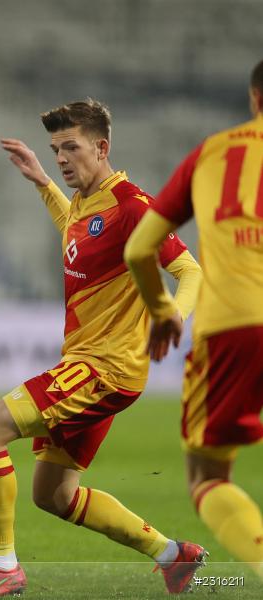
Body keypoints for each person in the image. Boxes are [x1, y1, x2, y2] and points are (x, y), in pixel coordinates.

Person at [0, 99, 206, 597]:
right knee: (53, 495)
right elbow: (78, 230)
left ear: (102, 147)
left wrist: (175, 314)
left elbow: (190, 270)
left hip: (103, 370)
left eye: (71, 148)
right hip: (90, 366)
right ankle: (173, 556)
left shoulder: (134, 206)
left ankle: (1, 567)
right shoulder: (87, 204)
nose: (63, 157)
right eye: (56, 149)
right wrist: (43, 182)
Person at [125, 61, 263, 580]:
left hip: (236, 326)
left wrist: (162, 311)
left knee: (208, 474)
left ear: (254, 98)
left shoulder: (213, 153)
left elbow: (141, 247)